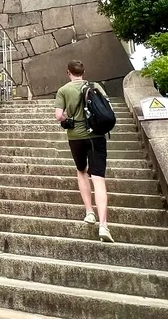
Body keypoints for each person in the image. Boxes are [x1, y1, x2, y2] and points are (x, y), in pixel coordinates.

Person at [54, 60, 113, 242]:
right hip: (96, 135)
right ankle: (104, 225)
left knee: (81, 171)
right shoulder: (95, 87)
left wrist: (67, 118)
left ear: (68, 72)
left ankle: (89, 213)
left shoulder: (63, 90)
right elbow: (107, 108)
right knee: (99, 179)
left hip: (76, 137)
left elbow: (58, 116)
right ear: (83, 72)